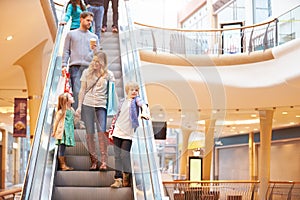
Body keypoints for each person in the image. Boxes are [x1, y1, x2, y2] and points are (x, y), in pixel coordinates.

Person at [76, 51, 115, 171]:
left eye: (98, 61)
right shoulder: (86, 73)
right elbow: (82, 91)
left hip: (101, 106)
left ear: (103, 62)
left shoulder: (108, 75)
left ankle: (103, 161)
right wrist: (79, 107)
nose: (95, 63)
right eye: (94, 60)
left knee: (101, 132)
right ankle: (93, 161)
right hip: (87, 105)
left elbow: (112, 93)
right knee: (89, 134)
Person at [110, 81, 150, 188]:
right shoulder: (122, 101)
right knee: (117, 156)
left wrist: (144, 112)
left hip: (128, 134)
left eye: (136, 90)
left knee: (124, 155)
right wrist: (111, 130)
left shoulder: (136, 100)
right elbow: (116, 117)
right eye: (132, 90)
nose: (134, 92)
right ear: (127, 90)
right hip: (117, 131)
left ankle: (126, 175)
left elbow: (143, 105)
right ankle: (118, 179)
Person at [62, 11, 99, 110]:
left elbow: (97, 56)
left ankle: (85, 118)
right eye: (87, 20)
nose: (89, 23)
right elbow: (66, 51)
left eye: (91, 21)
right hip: (75, 66)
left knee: (88, 93)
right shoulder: (71, 34)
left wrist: (95, 49)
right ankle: (77, 118)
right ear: (81, 19)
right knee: (77, 91)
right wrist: (64, 65)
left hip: (89, 68)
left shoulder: (94, 37)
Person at [52, 93, 76, 171]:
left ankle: (64, 164)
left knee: (63, 148)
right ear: (66, 101)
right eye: (70, 97)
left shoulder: (71, 110)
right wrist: (54, 131)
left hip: (68, 132)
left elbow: (74, 120)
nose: (72, 97)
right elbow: (56, 121)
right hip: (63, 132)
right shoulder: (61, 111)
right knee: (62, 148)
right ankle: (62, 165)